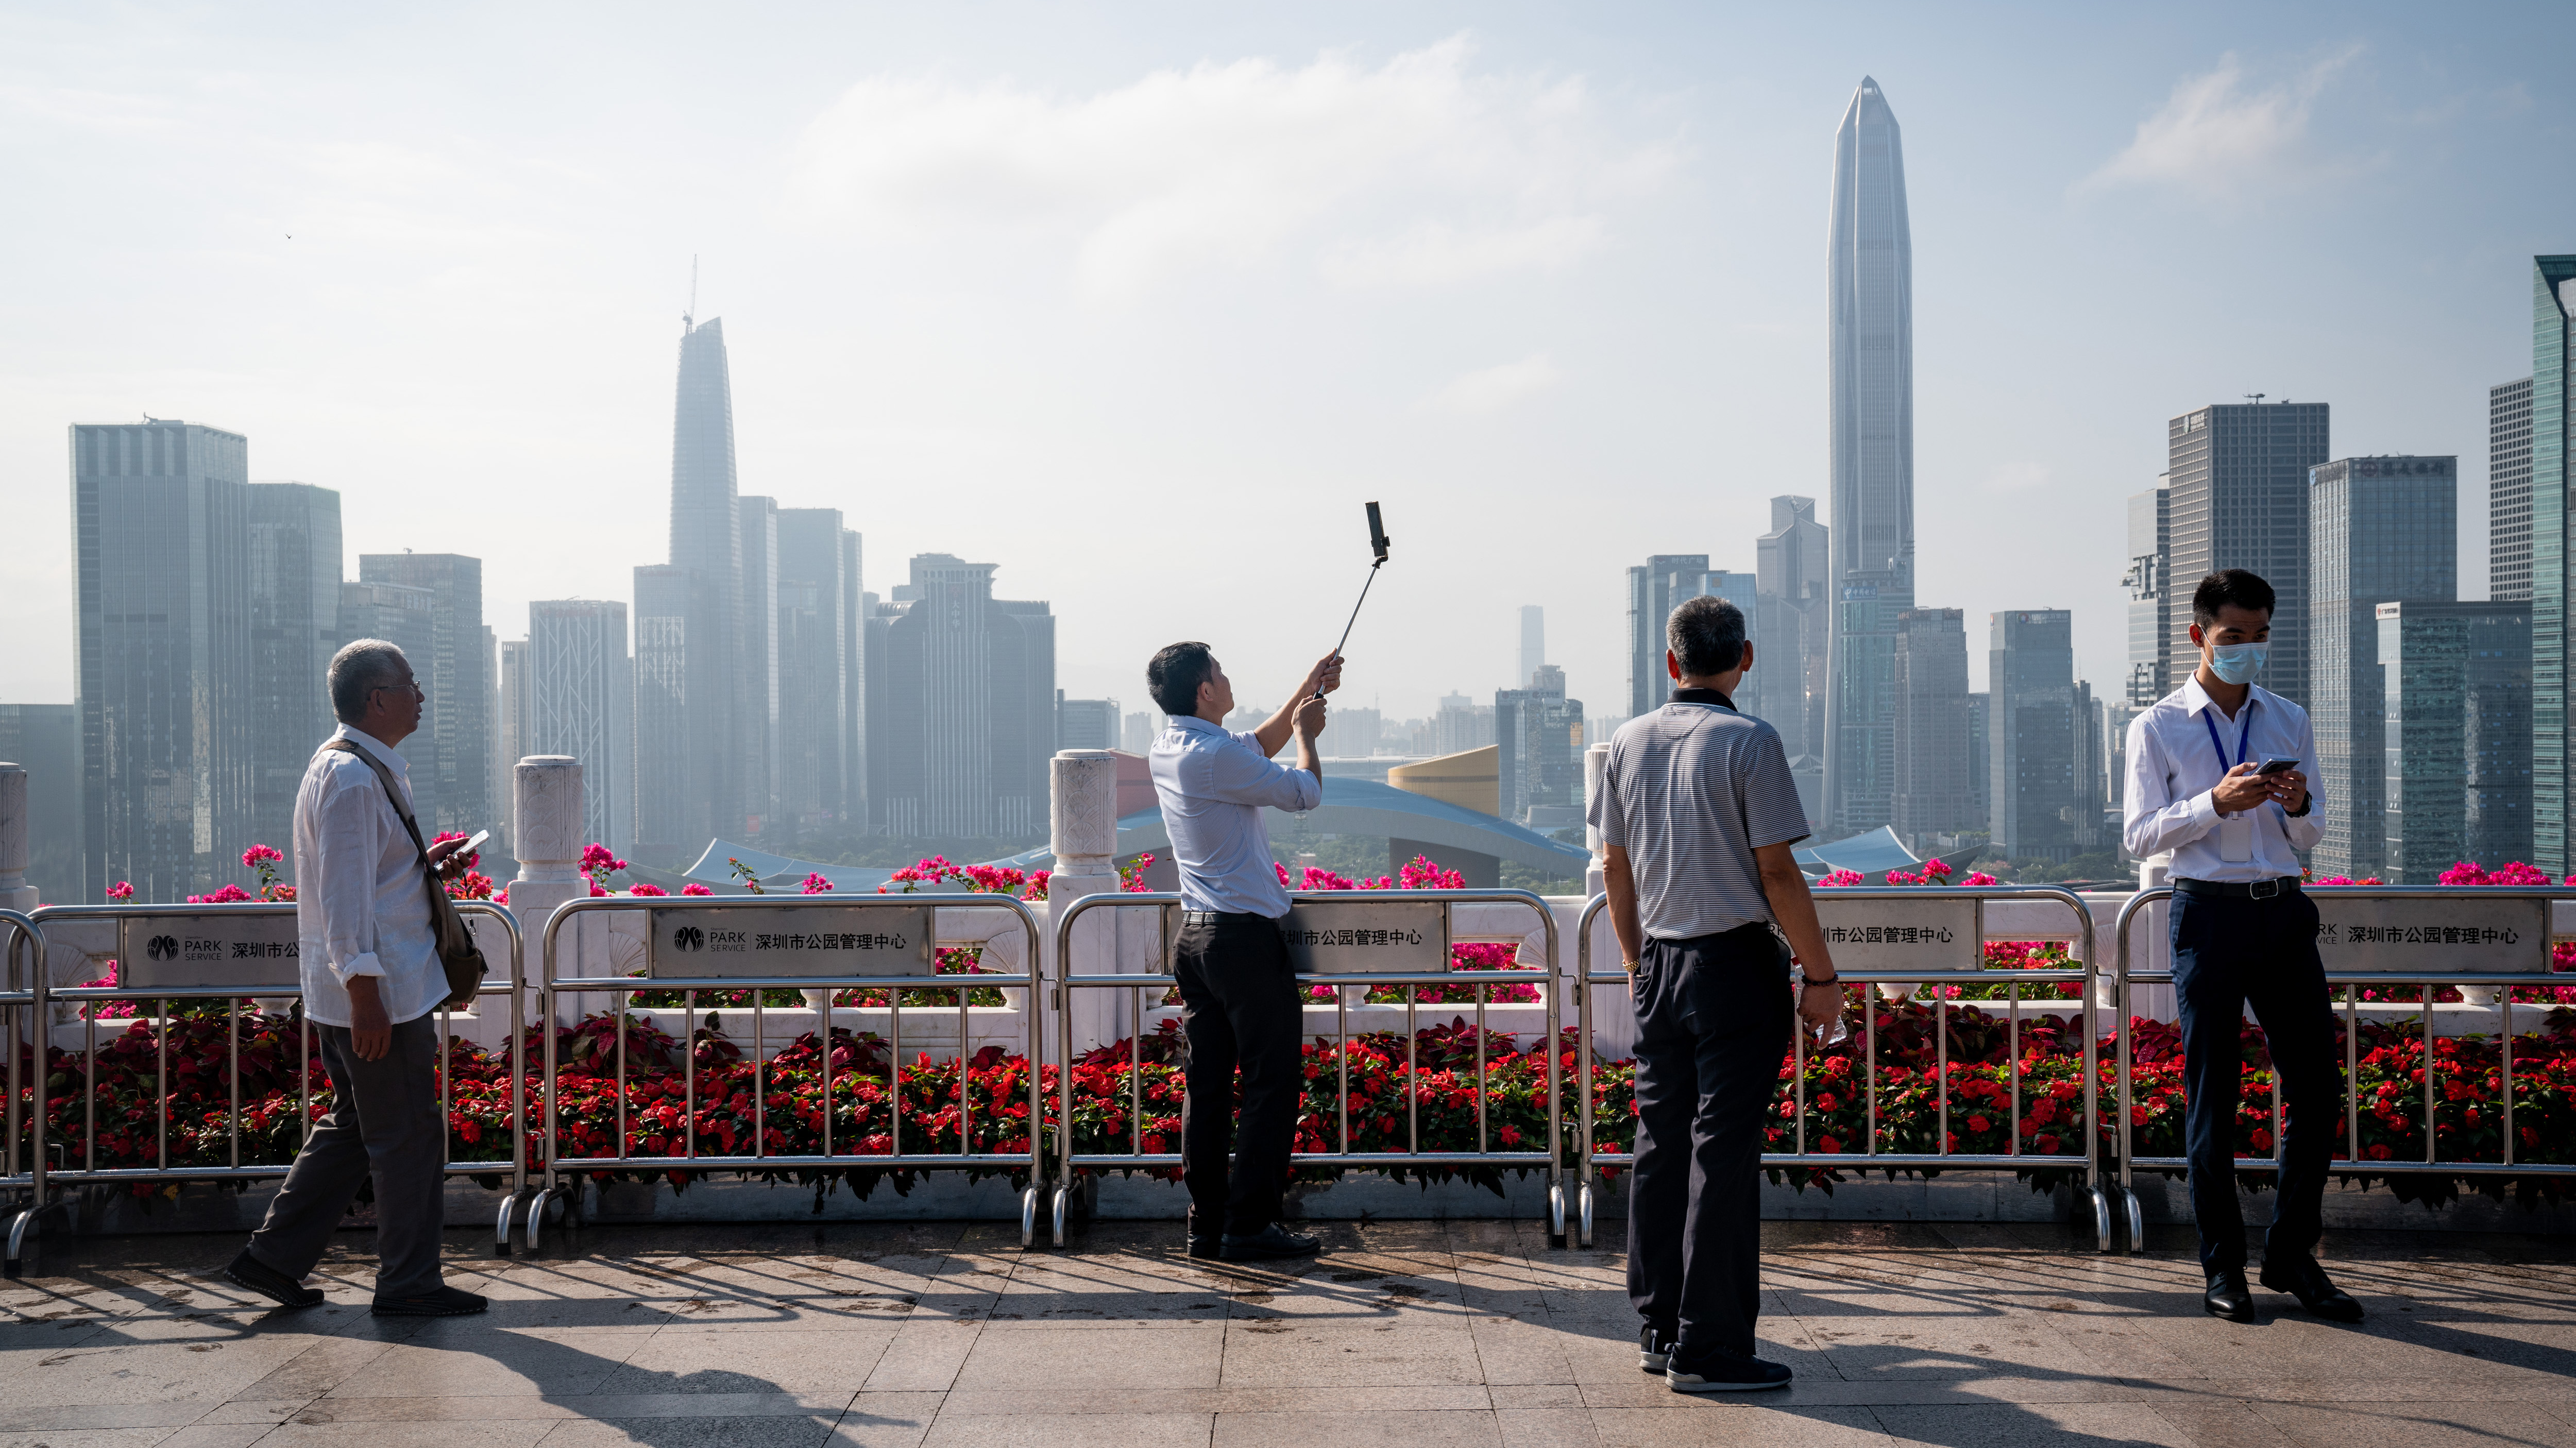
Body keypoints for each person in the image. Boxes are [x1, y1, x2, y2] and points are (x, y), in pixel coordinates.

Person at [1591, 595, 1842, 1393]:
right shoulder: (1751, 740)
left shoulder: (1626, 740)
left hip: (1659, 963)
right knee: (1722, 1155)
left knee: (1662, 1147)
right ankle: (1712, 1346)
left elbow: (1613, 868)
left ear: (1671, 663)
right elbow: (1776, 871)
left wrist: (1636, 961)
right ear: (1746, 657)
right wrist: (1822, 976)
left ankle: (1660, 1326)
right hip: (1733, 966)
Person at [2123, 569, 2363, 1324]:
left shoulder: (2288, 717)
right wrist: (2211, 804)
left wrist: (2299, 805)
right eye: (2234, 637)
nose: (2248, 649)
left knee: (2319, 1088)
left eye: (2260, 635)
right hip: (2207, 915)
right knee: (2213, 1097)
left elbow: (2313, 833)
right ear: (2200, 635)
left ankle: (2291, 1253)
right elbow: (2138, 833)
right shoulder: (2157, 724)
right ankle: (2223, 1267)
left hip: (2283, 910)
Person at [224, 639, 487, 1317]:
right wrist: (366, 993)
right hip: (379, 995)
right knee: (406, 1138)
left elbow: (368, 879)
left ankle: (273, 1256)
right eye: (411, 683)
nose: (421, 694)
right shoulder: (349, 779)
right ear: (378, 698)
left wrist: (428, 869)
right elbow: (342, 900)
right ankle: (408, 1281)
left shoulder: (362, 768)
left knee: (356, 1124)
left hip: (367, 990)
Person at [1145, 641, 1340, 1261]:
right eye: (1219, 674)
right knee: (1269, 1082)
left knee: (1206, 1086)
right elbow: (1303, 793)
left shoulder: (1174, 746)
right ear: (1204, 691)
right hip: (1242, 941)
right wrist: (1310, 734)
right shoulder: (1211, 756)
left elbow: (1252, 747)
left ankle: (1206, 1222)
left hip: (1197, 940)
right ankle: (1249, 1224)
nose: (1227, 681)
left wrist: (1306, 689)